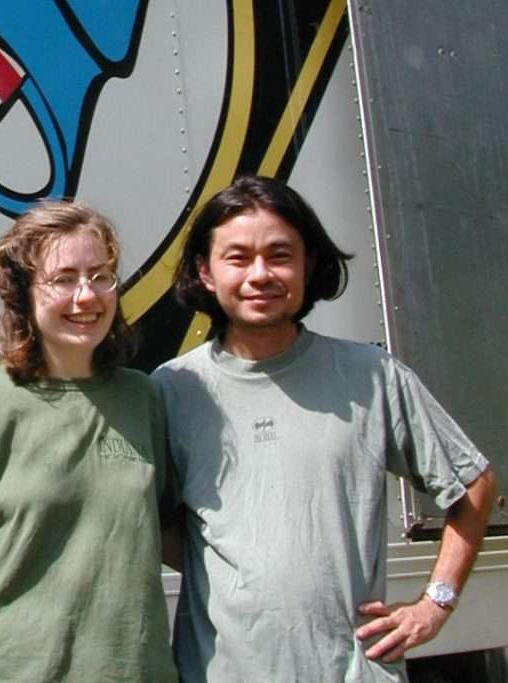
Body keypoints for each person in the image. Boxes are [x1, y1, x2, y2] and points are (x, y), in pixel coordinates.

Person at [152, 175, 495, 682]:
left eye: (280, 254)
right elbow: (154, 524)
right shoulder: (173, 390)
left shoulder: (371, 377)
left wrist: (435, 603)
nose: (260, 274)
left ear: (308, 264)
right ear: (205, 271)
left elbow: (474, 484)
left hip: (354, 671)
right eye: (238, 257)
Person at [0, 202, 179, 682]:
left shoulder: (144, 399)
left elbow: (171, 534)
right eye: (63, 279)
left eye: (101, 275)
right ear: (23, 293)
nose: (87, 296)